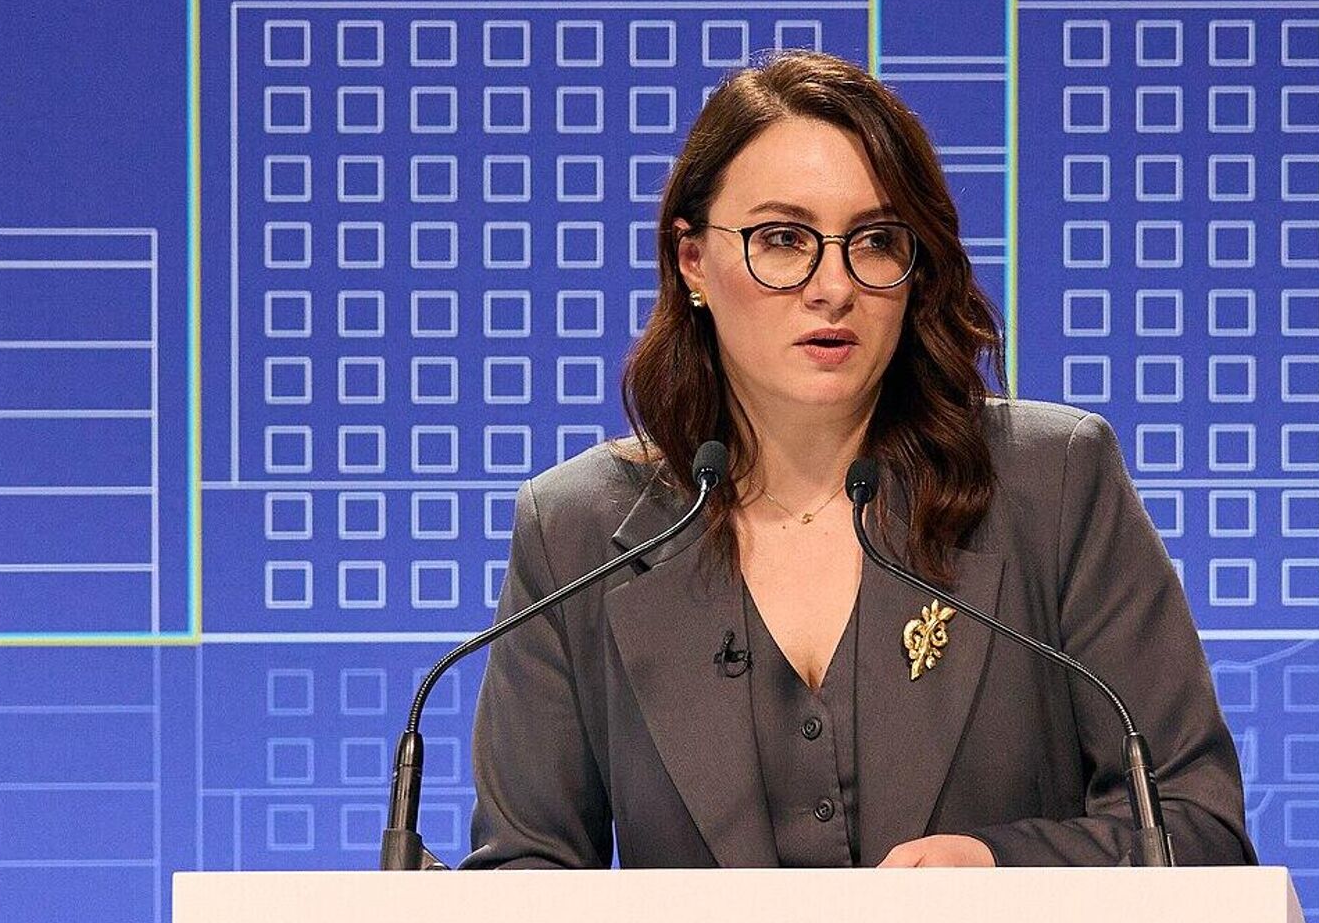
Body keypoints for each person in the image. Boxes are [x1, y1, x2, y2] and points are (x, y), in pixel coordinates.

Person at [461, 50, 1254, 868]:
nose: (833, 286)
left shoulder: (1049, 485)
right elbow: (525, 869)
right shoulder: (576, 533)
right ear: (692, 260)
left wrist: (1000, 869)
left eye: (874, 241)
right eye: (782, 239)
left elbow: (1197, 831)